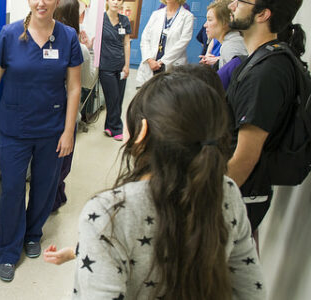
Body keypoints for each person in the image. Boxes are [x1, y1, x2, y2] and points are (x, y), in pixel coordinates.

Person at [46, 71, 266, 299]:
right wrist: (83, 251)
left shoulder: (109, 212)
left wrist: (94, 246)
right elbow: (251, 288)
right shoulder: (225, 190)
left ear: (142, 132)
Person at [0, 0, 82, 282]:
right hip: (15, 129)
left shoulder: (68, 37)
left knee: (45, 186)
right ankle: (8, 251)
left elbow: (73, 87)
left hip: (52, 129)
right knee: (11, 190)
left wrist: (69, 130)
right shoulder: (10, 34)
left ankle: (33, 234)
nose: (41, 2)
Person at [226, 0, 304, 238]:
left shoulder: (266, 73)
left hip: (239, 195)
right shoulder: (263, 61)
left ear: (263, 14)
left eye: (240, 1)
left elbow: (245, 158)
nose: (231, 5)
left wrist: (205, 199)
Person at [52, 0, 97, 212]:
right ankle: (53, 198)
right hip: (68, 120)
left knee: (49, 166)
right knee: (61, 166)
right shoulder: (79, 48)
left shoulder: (44, 43)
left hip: (45, 117)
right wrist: (90, 52)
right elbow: (87, 83)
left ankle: (55, 195)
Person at [136, 0, 194, 86]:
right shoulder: (156, 14)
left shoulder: (187, 16)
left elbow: (183, 42)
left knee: (168, 96)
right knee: (148, 95)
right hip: (151, 64)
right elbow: (145, 38)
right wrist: (149, 59)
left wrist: (162, 61)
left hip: (172, 64)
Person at [99, 0, 131, 140]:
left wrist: (127, 65)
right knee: (113, 97)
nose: (116, 2)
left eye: (119, 0)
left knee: (118, 99)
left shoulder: (124, 20)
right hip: (105, 66)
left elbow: (126, 43)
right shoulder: (101, 19)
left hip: (121, 66)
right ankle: (117, 128)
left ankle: (108, 126)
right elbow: (96, 41)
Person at [200, 0, 247, 69]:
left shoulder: (232, 47)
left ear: (225, 22)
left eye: (210, 20)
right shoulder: (229, 42)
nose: (205, 25)